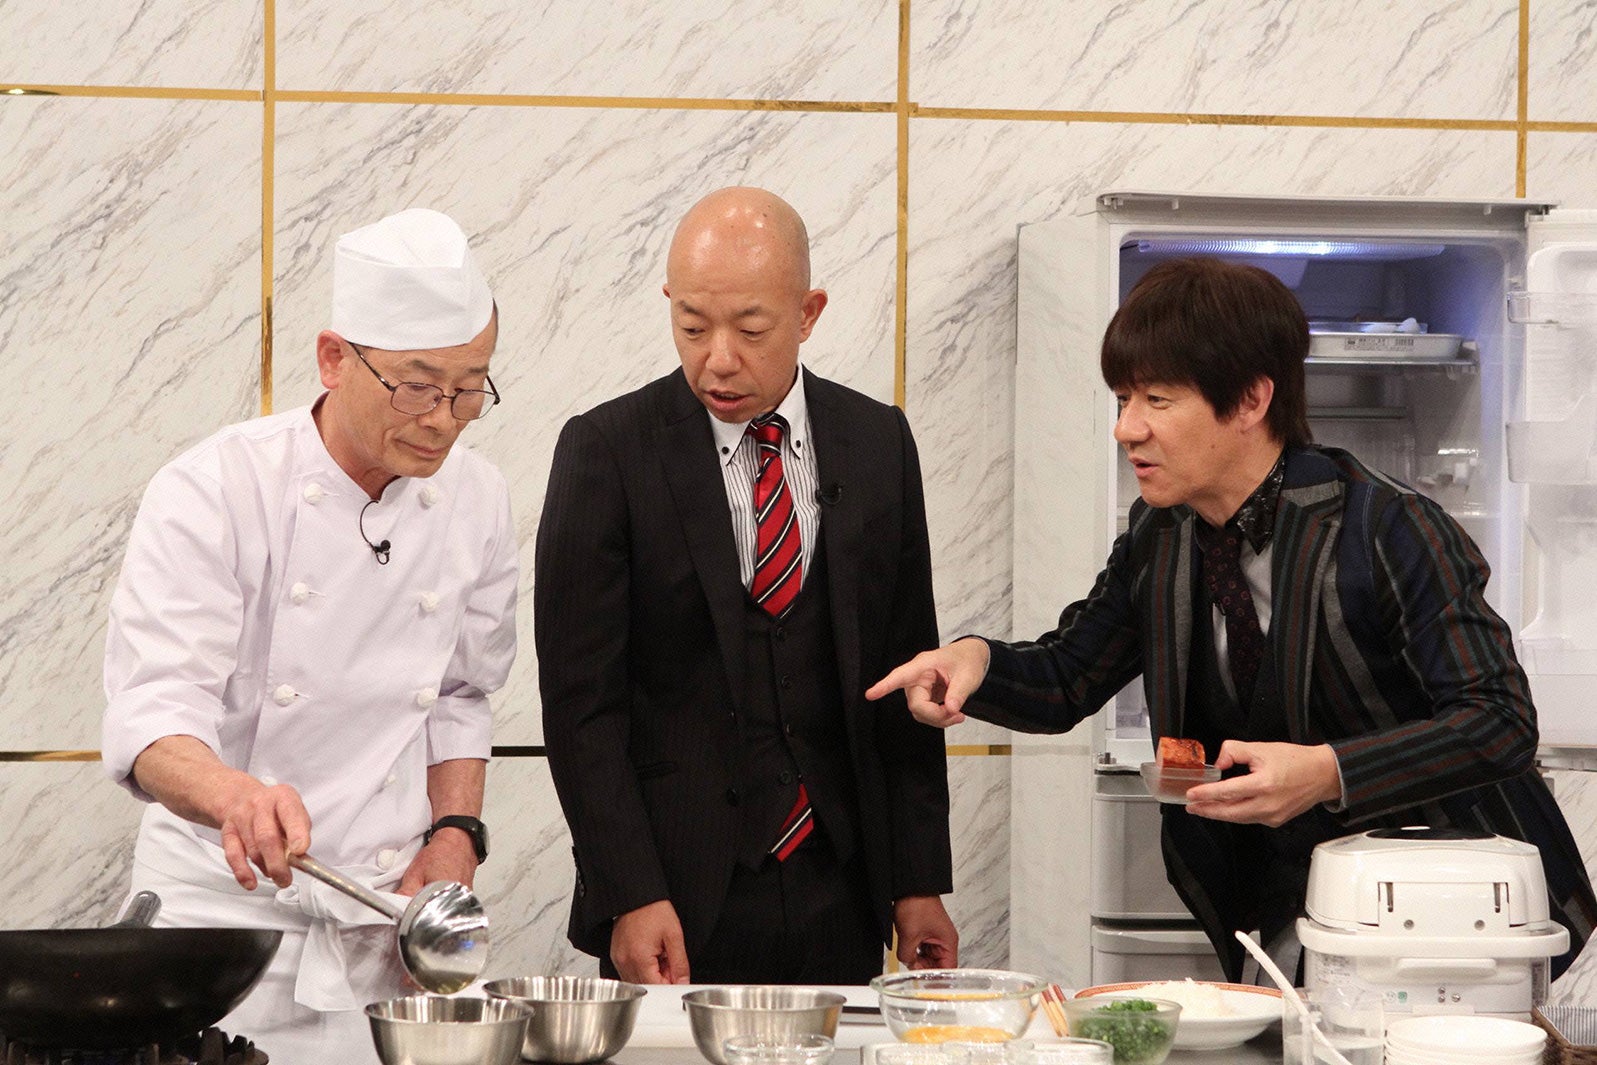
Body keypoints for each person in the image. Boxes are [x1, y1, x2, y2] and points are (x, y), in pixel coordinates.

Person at [868, 256, 1597, 982]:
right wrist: (974, 660)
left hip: (1459, 917)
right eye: (1122, 398)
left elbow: (1499, 721)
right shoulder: (1160, 533)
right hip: (1284, 909)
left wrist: (1328, 772)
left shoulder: (1389, 525)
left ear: (1250, 400)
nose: (1126, 428)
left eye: (1156, 399)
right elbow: (1067, 676)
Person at [101, 208, 517, 1060]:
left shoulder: (478, 499)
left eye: (469, 387)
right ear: (334, 358)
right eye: (416, 385)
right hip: (221, 930)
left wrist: (454, 834)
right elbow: (153, 716)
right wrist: (234, 795)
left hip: (383, 928)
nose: (443, 418)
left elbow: (460, 693)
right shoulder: (215, 489)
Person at [536, 186, 957, 984]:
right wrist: (629, 892)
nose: (718, 358)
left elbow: (907, 674)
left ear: (808, 313)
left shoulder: (877, 441)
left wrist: (916, 880)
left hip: (840, 882)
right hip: (675, 895)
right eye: (692, 326)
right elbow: (580, 706)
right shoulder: (607, 451)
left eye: (751, 329)